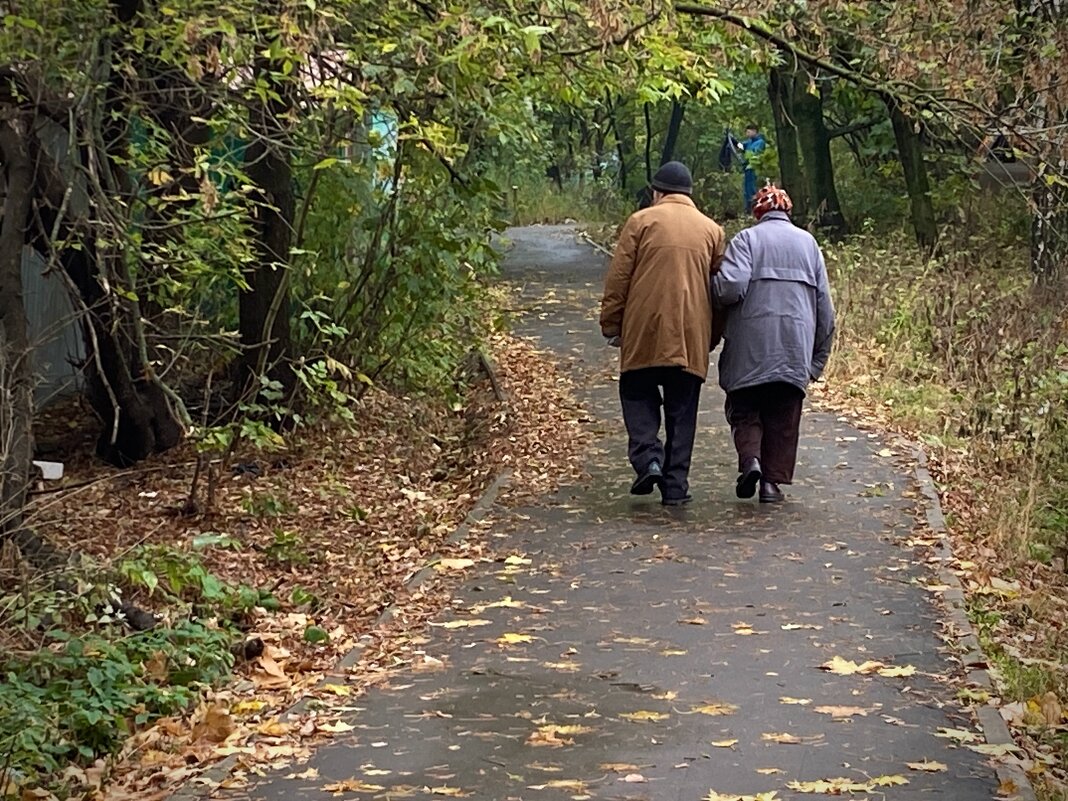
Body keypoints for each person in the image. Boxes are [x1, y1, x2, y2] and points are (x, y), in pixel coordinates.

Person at [600, 161, 726, 506]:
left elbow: (619, 278)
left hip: (644, 329)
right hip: (690, 335)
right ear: (689, 194)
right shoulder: (712, 230)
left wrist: (611, 323)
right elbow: (719, 291)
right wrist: (711, 336)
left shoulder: (640, 222)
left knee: (636, 391)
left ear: (657, 192)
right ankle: (675, 487)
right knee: (682, 411)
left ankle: (648, 459)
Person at [713, 185, 835, 503]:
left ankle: (750, 460)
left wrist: (712, 288)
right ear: (788, 211)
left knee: (745, 407)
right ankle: (770, 484)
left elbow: (729, 289)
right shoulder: (809, 245)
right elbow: (825, 308)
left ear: (758, 212)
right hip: (795, 347)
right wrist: (816, 361)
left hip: (750, 346)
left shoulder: (746, 240)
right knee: (783, 416)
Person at [737, 124, 766, 213]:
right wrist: (734, 141)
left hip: (754, 169)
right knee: (747, 190)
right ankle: (748, 210)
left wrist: (746, 156)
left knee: (753, 189)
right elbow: (740, 145)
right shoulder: (749, 142)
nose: (747, 134)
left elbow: (754, 154)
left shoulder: (760, 142)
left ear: (754, 131)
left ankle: (755, 209)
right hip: (747, 169)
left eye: (749, 132)